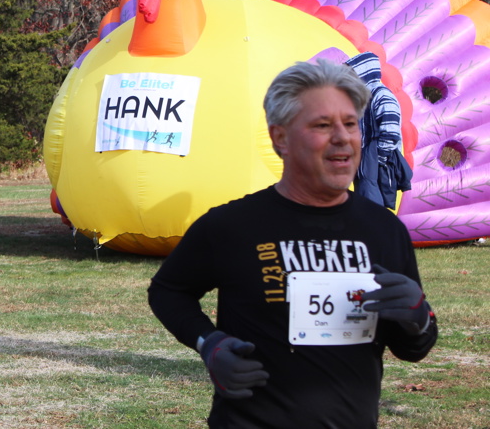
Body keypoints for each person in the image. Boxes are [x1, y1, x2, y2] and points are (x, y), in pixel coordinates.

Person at [148, 60, 437, 428]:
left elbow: (412, 348)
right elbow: (168, 290)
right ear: (280, 138)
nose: (342, 137)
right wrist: (209, 343)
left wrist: (418, 317)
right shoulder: (232, 225)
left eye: (350, 124)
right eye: (322, 125)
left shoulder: (383, 229)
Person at [345, 51, 412, 210]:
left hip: (375, 165)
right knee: (364, 206)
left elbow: (390, 132)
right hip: (365, 164)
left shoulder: (381, 95)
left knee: (370, 210)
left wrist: (377, 159)